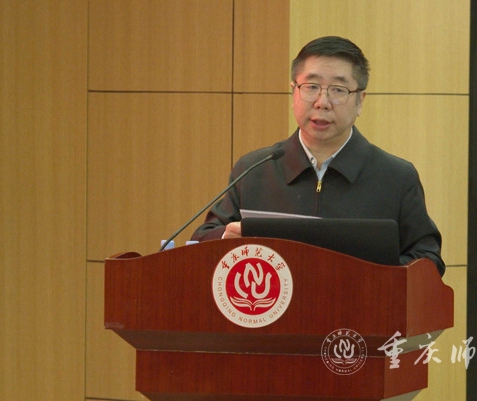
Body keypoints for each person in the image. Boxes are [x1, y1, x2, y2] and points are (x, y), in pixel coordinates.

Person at [191, 36, 445, 276]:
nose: (322, 102)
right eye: (311, 87)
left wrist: (372, 276)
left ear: (360, 101)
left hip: (362, 305)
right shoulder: (255, 169)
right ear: (294, 92)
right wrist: (227, 237)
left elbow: (428, 259)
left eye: (338, 89)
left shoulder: (395, 177)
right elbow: (202, 238)